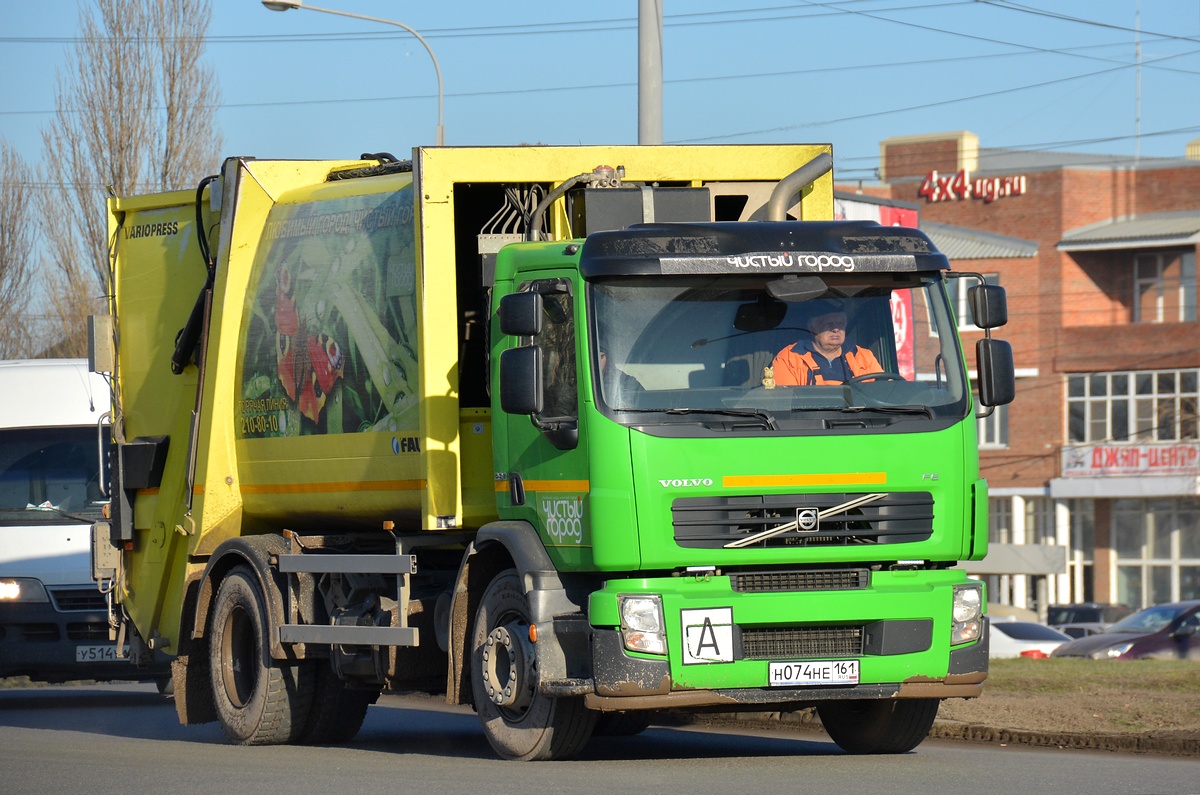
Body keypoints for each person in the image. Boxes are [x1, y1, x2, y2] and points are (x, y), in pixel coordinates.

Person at [770, 301, 882, 386]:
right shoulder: (789, 358)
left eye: (840, 324)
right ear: (811, 327)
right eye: (829, 324)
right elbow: (786, 404)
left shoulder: (863, 356)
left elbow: (884, 392)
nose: (836, 329)